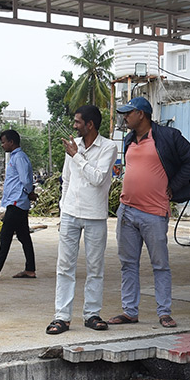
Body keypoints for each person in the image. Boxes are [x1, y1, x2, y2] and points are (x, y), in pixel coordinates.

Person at [109, 96, 190, 329]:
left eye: (129, 113)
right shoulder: (129, 139)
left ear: (142, 114)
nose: (125, 117)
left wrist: (174, 186)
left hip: (154, 212)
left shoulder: (168, 136)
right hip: (127, 211)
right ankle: (130, 311)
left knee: (160, 264)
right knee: (128, 264)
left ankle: (164, 312)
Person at [48, 104, 117, 335]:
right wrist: (62, 209)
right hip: (70, 213)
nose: (74, 125)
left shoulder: (109, 147)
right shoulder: (73, 149)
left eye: (78, 122)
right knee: (64, 267)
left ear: (90, 125)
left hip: (95, 215)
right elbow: (66, 181)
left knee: (95, 267)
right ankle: (62, 317)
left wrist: (76, 156)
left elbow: (98, 178)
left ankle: (92, 314)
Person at [0, 129, 36, 281]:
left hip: (17, 202)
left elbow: (26, 179)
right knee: (24, 236)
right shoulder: (15, 157)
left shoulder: (19, 158)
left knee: (5, 236)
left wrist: (29, 192)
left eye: (3, 142)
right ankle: (30, 269)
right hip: (17, 202)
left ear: (11, 142)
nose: (2, 145)